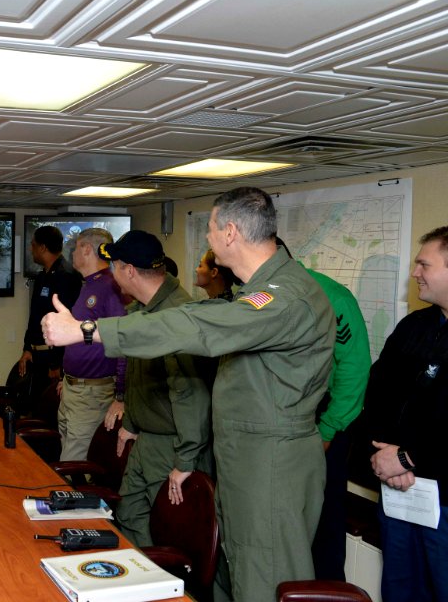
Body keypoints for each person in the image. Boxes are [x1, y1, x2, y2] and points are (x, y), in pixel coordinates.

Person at [43, 187, 334, 602]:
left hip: (269, 460)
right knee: (233, 573)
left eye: (212, 230)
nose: (209, 240)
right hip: (245, 455)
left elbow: (203, 329)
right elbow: (199, 315)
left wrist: (88, 331)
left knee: (262, 580)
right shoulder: (259, 290)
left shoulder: (283, 297)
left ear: (230, 232)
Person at [98, 231, 213, 546]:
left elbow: (190, 394)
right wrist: (131, 423)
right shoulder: (147, 311)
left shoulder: (176, 315)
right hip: (148, 437)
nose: (112, 274)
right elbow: (142, 376)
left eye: (114, 267)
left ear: (130, 271)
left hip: (172, 445)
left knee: (171, 532)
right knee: (130, 515)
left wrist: (185, 460)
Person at [274, 238, 370, 581]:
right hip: (276, 422)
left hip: (320, 423)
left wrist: (328, 431)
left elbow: (354, 371)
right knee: (281, 521)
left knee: (323, 522)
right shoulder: (257, 297)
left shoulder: (331, 297)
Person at [364, 225, 448, 602]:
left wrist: (406, 457)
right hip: (399, 491)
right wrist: (388, 457)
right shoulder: (415, 325)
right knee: (400, 588)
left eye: (423, 264)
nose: (415, 273)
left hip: (444, 503)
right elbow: (379, 390)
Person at [56, 228, 127, 462]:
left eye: (76, 247)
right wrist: (66, 379)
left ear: (87, 249)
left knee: (73, 465)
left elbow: (123, 340)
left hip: (92, 391)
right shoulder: (88, 284)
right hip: (73, 387)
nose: (73, 253)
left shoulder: (110, 286)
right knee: (65, 454)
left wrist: (121, 395)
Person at [18, 225, 82, 414]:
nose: (31, 249)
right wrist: (27, 348)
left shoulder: (66, 276)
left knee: (50, 413)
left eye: (33, 245)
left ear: (43, 247)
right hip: (38, 356)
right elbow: (36, 316)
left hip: (54, 358)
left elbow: (66, 322)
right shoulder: (42, 277)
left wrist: (56, 363)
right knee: (33, 407)